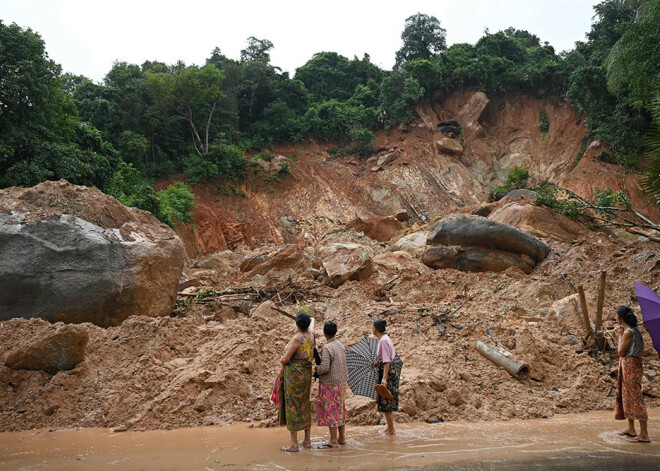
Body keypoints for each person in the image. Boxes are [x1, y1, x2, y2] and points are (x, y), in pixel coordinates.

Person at [279, 311, 315, 452]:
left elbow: (285, 359)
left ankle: (294, 444)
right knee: (305, 404)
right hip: (306, 375)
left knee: (293, 407)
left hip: (295, 377)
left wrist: (282, 358)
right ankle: (307, 441)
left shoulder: (297, 338)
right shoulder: (311, 335)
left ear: (297, 324)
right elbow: (312, 322)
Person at [614, 305, 650, 443]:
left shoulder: (628, 332)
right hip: (631, 365)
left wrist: (619, 336)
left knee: (635, 396)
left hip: (630, 365)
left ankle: (644, 434)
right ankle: (631, 428)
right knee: (627, 395)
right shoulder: (634, 330)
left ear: (620, 318)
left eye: (616, 315)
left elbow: (620, 352)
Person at [315, 320, 349, 448]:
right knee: (340, 410)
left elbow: (324, 368)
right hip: (341, 383)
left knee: (331, 411)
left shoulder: (327, 348)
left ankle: (333, 440)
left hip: (330, 384)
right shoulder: (339, 345)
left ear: (324, 333)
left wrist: (316, 369)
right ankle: (342, 438)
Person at [371, 317, 399, 436]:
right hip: (389, 370)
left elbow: (387, 361)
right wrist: (377, 363)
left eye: (372, 326)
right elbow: (385, 359)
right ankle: (389, 427)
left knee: (386, 399)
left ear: (376, 328)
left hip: (387, 372)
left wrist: (384, 378)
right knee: (386, 398)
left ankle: (391, 430)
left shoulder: (383, 341)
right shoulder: (385, 339)